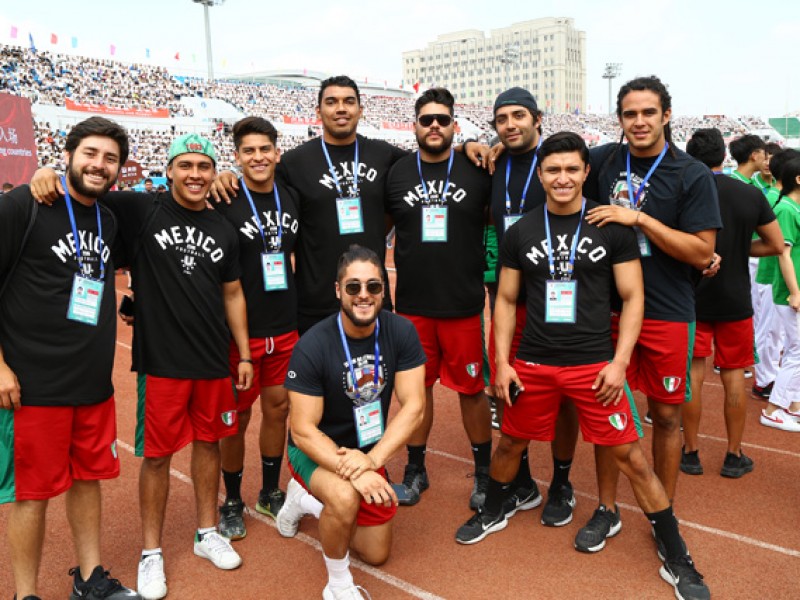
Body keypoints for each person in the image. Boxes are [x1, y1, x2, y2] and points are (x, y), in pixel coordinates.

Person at [455, 132, 710, 600]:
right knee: (510, 442)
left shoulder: (610, 226)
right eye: (553, 170)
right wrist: (502, 364)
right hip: (533, 361)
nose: (563, 178)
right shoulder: (521, 231)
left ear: (585, 172)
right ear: (541, 174)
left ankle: (677, 556)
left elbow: (633, 297)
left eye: (572, 169)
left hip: (594, 365)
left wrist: (620, 362)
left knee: (632, 457)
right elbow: (507, 300)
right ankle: (493, 508)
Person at [28, 134, 254, 600]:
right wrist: (46, 170)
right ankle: (150, 552)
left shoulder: (224, 228)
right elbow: (86, 188)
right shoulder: (141, 209)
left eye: (204, 166)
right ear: (168, 170)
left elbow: (232, 292)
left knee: (210, 444)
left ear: (213, 173)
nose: (195, 174)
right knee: (156, 456)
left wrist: (245, 353)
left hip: (213, 359)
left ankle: (206, 531)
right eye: (186, 165)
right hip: (162, 360)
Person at [210, 76, 485, 334]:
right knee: (316, 384)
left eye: (348, 101)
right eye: (331, 102)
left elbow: (430, 155)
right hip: (315, 303)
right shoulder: (294, 162)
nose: (340, 108)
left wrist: (466, 146)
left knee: (376, 381)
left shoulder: (384, 154)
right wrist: (226, 176)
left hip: (372, 298)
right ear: (318, 112)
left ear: (360, 110)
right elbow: (258, 180)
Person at [580, 75, 721, 554]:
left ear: (666, 116)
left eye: (647, 113)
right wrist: (486, 147)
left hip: (667, 310)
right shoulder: (601, 161)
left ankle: (663, 515)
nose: (638, 122)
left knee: (665, 416)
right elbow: (543, 156)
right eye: (629, 114)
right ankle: (606, 508)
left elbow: (703, 253)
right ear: (619, 120)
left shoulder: (691, 174)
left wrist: (638, 218)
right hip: (608, 309)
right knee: (607, 408)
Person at [0, 117, 140, 599]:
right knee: (32, 494)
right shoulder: (25, 204)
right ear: (68, 155)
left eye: (110, 158)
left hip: (92, 381)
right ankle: (24, 594)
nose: (99, 165)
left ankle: (90, 578)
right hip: (34, 382)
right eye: (91, 154)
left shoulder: (110, 217)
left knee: (88, 481)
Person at [278, 245, 426, 600]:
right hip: (314, 451)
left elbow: (415, 407)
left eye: (373, 287)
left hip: (366, 452)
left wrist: (372, 461)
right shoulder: (313, 345)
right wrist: (356, 471)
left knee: (376, 554)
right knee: (344, 498)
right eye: (353, 287)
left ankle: (305, 502)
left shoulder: (401, 332)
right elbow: (302, 430)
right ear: (337, 290)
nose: (363, 295)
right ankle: (338, 584)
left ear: (383, 290)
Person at [384, 87, 493, 509]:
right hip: (413, 305)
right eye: (426, 119)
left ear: (454, 126)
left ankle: (483, 472)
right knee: (417, 391)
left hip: (462, 304)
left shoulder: (476, 168)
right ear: (413, 125)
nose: (434, 126)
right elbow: (382, 227)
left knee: (471, 389)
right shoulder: (397, 171)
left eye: (442, 120)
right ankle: (416, 467)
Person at [484, 87, 580, 526]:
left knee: (564, 401)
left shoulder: (560, 161)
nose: (510, 124)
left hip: (556, 303)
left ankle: (561, 482)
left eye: (518, 115)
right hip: (505, 299)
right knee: (507, 388)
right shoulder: (488, 161)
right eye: (502, 118)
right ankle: (520, 482)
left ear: (537, 118)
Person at [212, 117, 300, 539]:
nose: (258, 157)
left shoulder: (291, 196)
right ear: (237, 157)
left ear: (276, 153)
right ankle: (231, 499)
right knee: (237, 416)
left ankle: (269, 490)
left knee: (278, 410)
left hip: (285, 326)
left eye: (265, 149)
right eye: (248, 151)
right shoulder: (224, 198)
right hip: (240, 334)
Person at [682, 128, 783, 475]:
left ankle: (690, 451)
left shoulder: (684, 193)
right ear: (723, 156)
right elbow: (775, 243)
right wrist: (740, 249)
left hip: (691, 296)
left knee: (693, 377)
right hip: (734, 298)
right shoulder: (748, 195)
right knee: (734, 379)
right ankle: (734, 454)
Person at [760, 157, 800, 431]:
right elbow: (783, 254)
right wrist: (795, 292)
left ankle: (793, 404)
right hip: (790, 292)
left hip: (795, 289)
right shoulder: (786, 209)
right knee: (797, 351)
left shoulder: (793, 207)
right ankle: (773, 409)